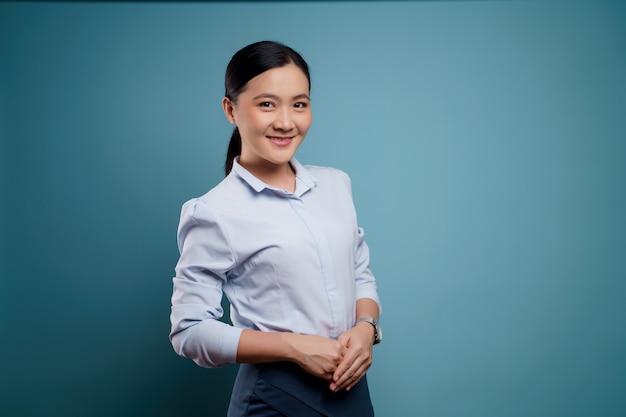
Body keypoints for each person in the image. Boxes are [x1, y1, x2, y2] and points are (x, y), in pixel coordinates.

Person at [170, 40, 382, 417]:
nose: (286, 121)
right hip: (275, 400)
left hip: (351, 390)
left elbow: (358, 271)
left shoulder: (336, 184)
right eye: (267, 104)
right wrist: (293, 346)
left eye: (299, 104)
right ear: (230, 109)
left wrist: (367, 329)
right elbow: (188, 332)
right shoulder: (214, 212)